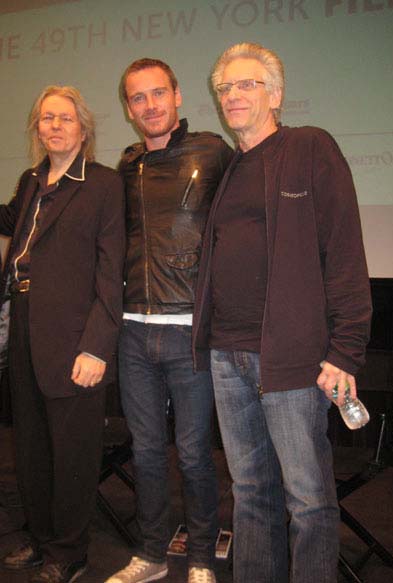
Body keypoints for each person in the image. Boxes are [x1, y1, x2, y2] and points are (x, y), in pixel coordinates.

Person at [192, 43, 372, 583]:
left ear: (275, 94)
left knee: (309, 501)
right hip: (227, 354)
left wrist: (345, 350)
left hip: (290, 358)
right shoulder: (231, 169)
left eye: (247, 84)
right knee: (250, 494)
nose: (233, 95)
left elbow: (343, 250)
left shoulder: (309, 147)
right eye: (225, 87)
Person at [105, 58, 233, 583]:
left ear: (178, 96)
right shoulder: (127, 165)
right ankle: (153, 553)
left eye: (159, 93)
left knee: (196, 455)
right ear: (129, 108)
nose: (150, 105)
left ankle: (201, 555)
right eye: (138, 97)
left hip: (191, 334)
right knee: (147, 452)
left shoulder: (213, 152)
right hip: (133, 331)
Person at [0, 85, 125, 583]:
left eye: (65, 118)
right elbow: (9, 222)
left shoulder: (102, 184)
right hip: (25, 326)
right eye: (47, 118)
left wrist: (97, 345)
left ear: (83, 129)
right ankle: (40, 537)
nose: (55, 126)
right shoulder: (31, 181)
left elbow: (111, 271)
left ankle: (70, 552)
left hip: (74, 338)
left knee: (71, 450)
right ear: (37, 129)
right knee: (30, 446)